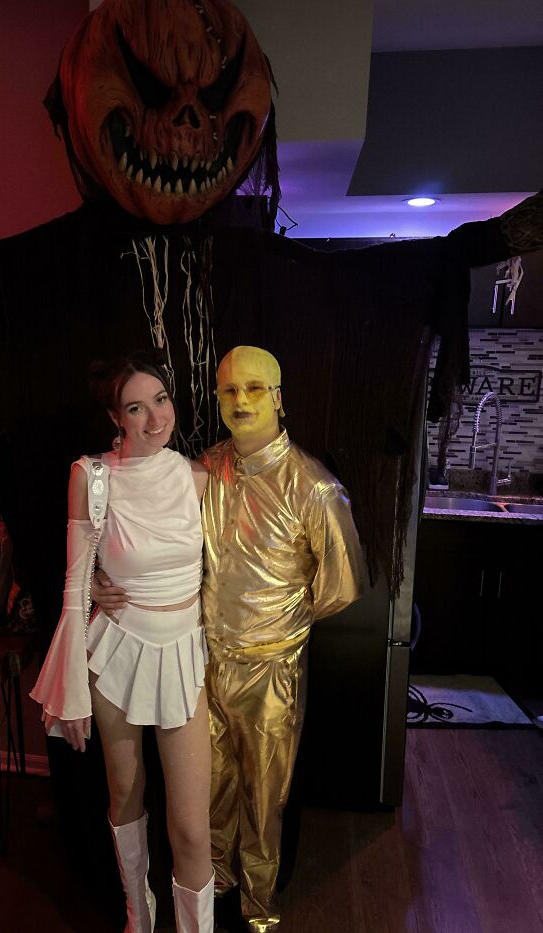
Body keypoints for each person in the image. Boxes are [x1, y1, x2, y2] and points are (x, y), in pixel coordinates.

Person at [95, 345, 365, 932]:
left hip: (271, 668)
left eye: (255, 389)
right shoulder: (204, 469)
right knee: (208, 794)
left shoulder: (314, 488)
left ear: (278, 397)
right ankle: (209, 892)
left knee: (264, 796)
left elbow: (341, 587)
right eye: (229, 391)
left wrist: (277, 627)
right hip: (201, 661)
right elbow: (139, 521)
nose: (241, 400)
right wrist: (99, 577)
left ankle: (259, 910)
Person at [30, 352, 214, 933]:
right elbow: (73, 585)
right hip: (116, 651)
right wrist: (72, 688)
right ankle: (139, 914)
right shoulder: (91, 475)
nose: (155, 417)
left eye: (161, 400)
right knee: (125, 798)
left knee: (190, 828)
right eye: (137, 407)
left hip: (183, 651)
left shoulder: (198, 475)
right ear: (116, 416)